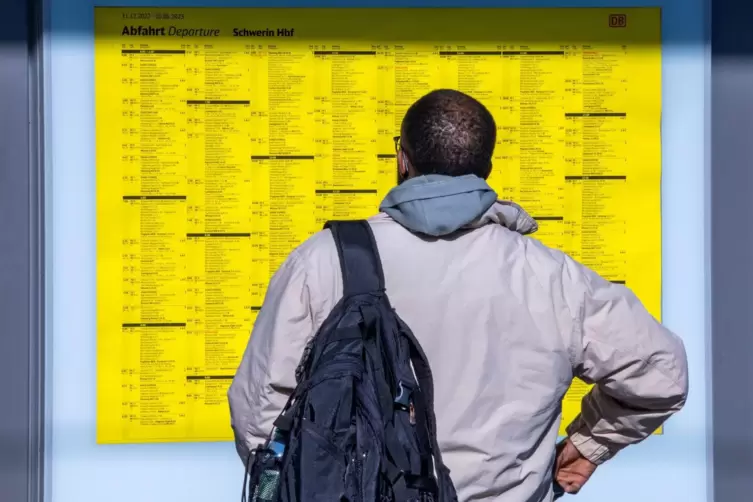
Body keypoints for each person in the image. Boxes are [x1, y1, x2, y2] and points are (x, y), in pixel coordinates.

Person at [228, 89, 688, 501]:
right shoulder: (555, 278)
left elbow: (259, 411)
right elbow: (661, 376)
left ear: (401, 160)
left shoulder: (324, 260)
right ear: (486, 169)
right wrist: (587, 446)